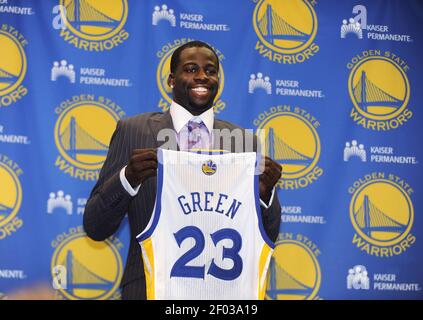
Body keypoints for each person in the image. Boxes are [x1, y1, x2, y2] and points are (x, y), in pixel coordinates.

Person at [83, 40, 282, 300]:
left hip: (224, 293)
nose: (202, 76)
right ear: (171, 80)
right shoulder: (133, 131)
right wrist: (128, 178)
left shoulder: (242, 142)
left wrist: (265, 196)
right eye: (190, 69)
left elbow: (266, 235)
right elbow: (96, 227)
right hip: (150, 288)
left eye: (210, 71)